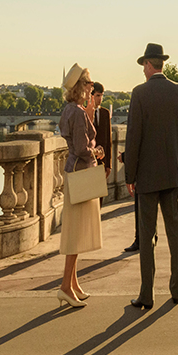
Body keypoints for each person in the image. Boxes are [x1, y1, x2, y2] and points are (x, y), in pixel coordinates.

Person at [125, 43, 178, 309]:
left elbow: (133, 138)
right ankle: (176, 288)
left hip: (147, 178)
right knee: (174, 232)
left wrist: (130, 174)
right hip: (172, 175)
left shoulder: (140, 93)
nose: (143, 71)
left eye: (143, 66)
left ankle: (146, 294)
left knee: (147, 236)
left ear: (149, 65)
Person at [57, 64, 104, 308]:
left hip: (72, 172)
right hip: (80, 174)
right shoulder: (76, 112)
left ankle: (72, 282)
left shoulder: (70, 110)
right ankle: (65, 286)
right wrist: (96, 151)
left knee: (75, 231)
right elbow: (81, 148)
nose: (91, 88)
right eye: (89, 84)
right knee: (76, 234)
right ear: (80, 87)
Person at [87, 81, 112, 206]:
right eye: (97, 95)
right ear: (91, 96)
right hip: (89, 160)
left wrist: (109, 164)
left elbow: (108, 141)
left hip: (101, 161)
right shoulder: (85, 112)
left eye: (102, 95)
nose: (100, 99)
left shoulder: (105, 113)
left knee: (100, 196)